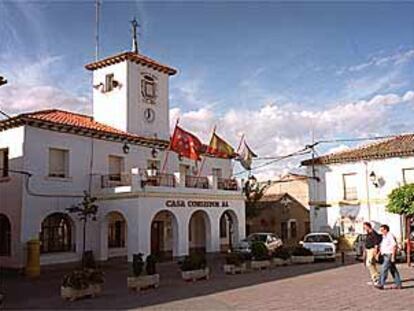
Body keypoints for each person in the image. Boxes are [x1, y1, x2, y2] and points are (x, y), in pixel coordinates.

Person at [375, 224, 402, 290]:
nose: (381, 231)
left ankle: (381, 284)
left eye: (382, 230)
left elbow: (394, 246)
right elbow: (382, 246)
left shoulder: (390, 236)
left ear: (386, 230)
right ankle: (398, 284)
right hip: (385, 255)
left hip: (389, 255)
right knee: (393, 270)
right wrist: (378, 253)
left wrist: (393, 256)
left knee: (383, 269)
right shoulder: (384, 237)